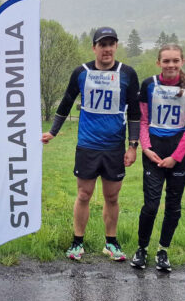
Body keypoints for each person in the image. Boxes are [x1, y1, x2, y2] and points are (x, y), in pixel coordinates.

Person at [41, 27, 140, 262]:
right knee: (84, 194)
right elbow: (66, 103)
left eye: (111, 44)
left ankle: (111, 243)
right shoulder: (81, 72)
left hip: (114, 146)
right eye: (102, 44)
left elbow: (135, 113)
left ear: (116, 46)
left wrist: (133, 146)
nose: (107, 49)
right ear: (94, 48)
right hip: (88, 145)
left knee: (112, 197)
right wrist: (53, 132)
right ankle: (77, 242)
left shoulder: (127, 73)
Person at [131, 44, 185, 272]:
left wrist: (175, 157)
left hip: (178, 155)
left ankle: (163, 250)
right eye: (166, 61)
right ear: (158, 62)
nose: (171, 65)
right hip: (153, 152)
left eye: (175, 61)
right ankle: (141, 249)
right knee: (150, 205)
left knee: (173, 206)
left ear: (182, 62)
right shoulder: (148, 84)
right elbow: (143, 120)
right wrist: (146, 148)